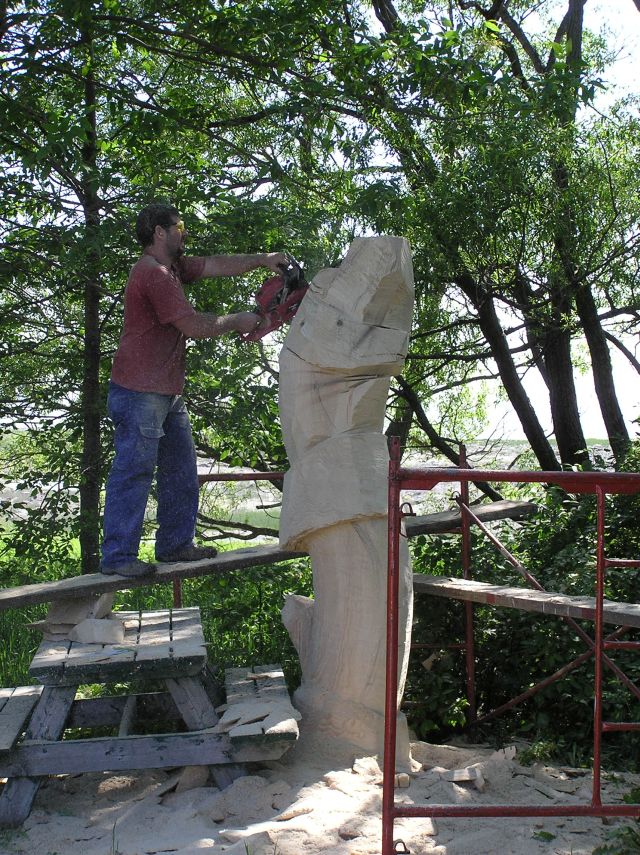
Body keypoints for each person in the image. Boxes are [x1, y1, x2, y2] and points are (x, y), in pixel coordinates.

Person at [100, 203, 287, 577]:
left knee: (181, 470)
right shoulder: (152, 274)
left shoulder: (173, 268)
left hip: (165, 392)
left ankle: (174, 545)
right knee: (134, 472)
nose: (184, 232)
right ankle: (118, 559)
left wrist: (264, 259)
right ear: (159, 232)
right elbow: (192, 325)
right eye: (178, 226)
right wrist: (238, 320)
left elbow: (217, 264)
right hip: (139, 392)